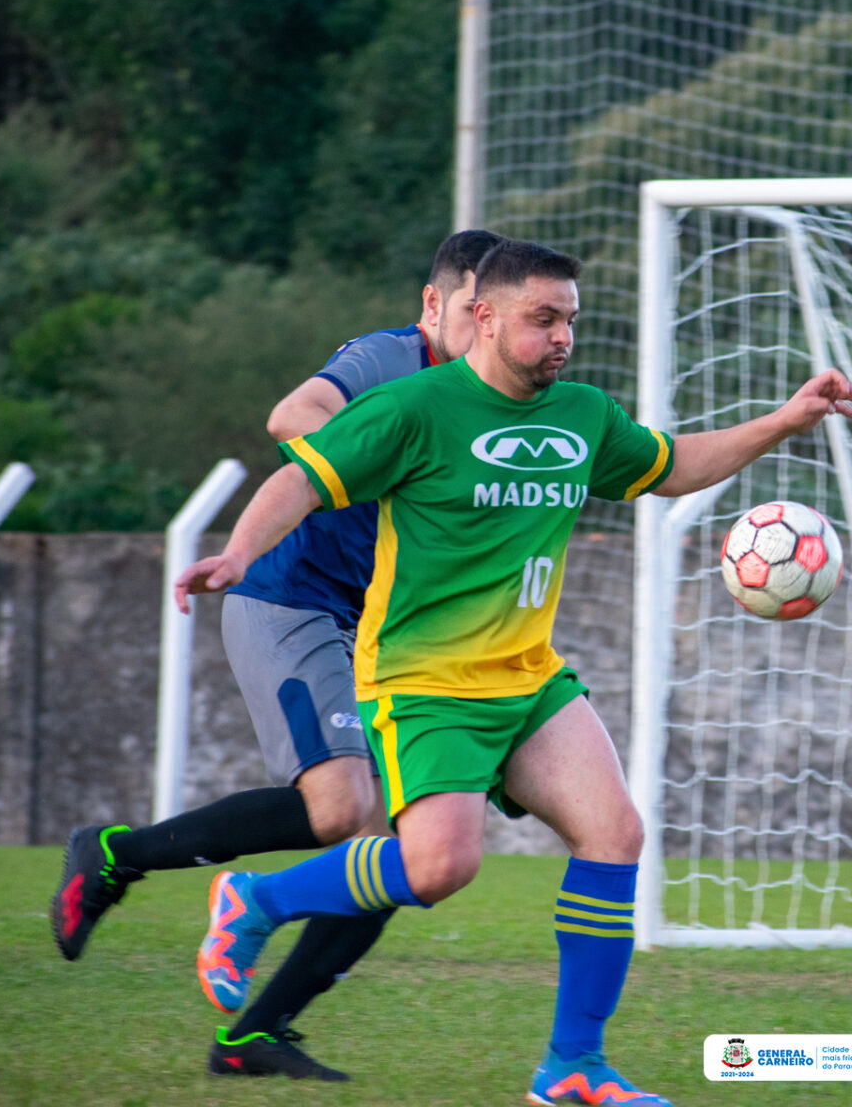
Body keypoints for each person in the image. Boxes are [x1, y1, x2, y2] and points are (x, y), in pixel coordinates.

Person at [172, 239, 852, 1107]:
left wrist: (783, 420)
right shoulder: (415, 408)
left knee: (614, 835)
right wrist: (237, 553)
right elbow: (302, 480)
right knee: (437, 869)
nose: (562, 337)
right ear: (484, 316)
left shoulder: (581, 414)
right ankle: (258, 897)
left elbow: (672, 467)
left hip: (529, 678)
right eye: (543, 319)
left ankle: (574, 1066)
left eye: (570, 319)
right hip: (424, 680)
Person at [51, 229, 504, 1080]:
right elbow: (292, 417)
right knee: (337, 810)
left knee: (402, 856)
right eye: (469, 315)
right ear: (434, 307)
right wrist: (388, 457)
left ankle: (254, 1036)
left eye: (497, 318)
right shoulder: (387, 359)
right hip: (290, 604)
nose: (483, 333)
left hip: (385, 637)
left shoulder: (492, 398)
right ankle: (114, 855)